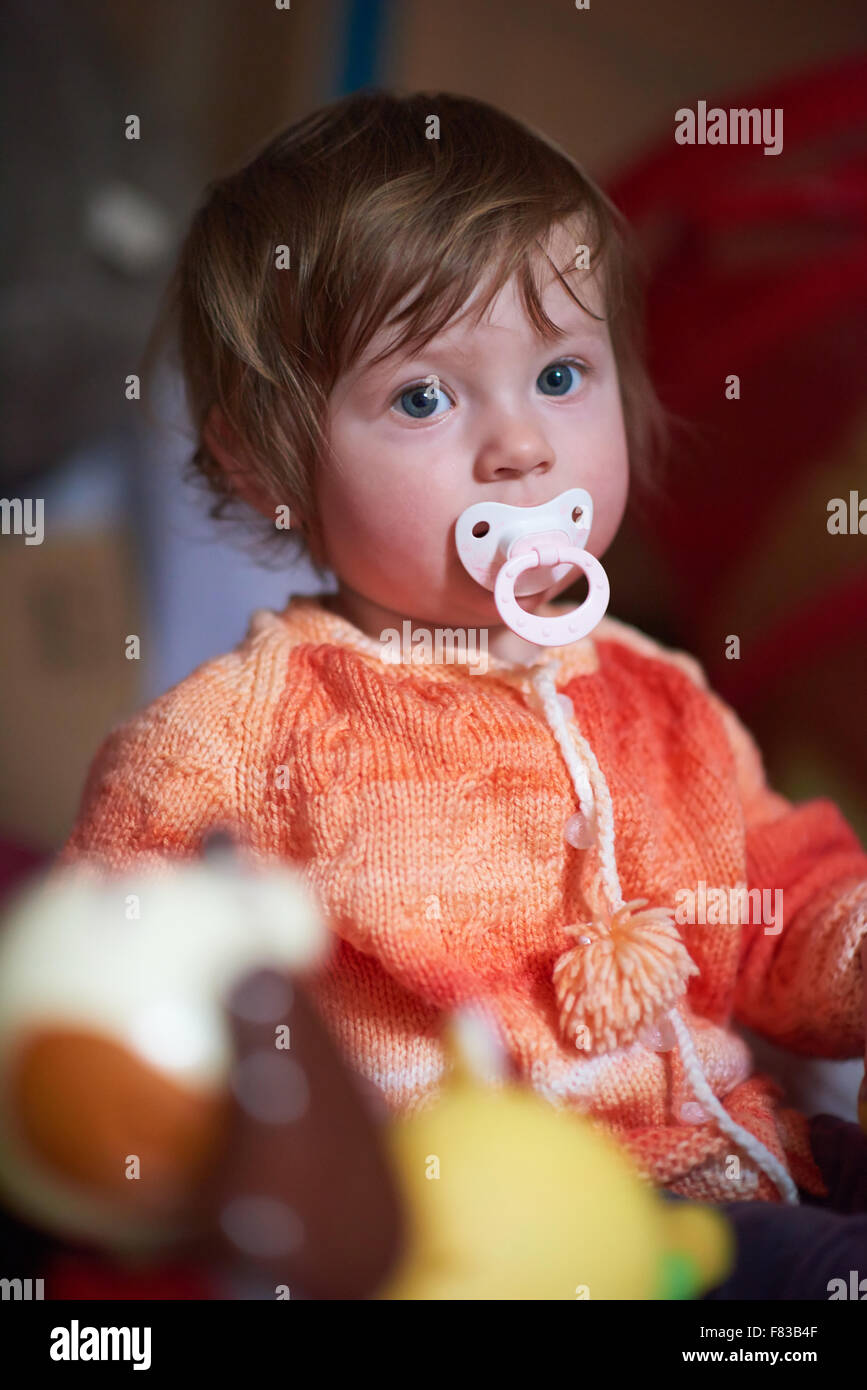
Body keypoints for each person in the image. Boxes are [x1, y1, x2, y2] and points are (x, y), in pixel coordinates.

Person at [56, 90, 867, 1298]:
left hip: (728, 1171)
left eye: (559, 373)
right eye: (426, 397)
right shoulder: (236, 736)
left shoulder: (662, 697)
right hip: (470, 1225)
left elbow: (773, 897)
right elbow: (116, 985)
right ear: (262, 465)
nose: (522, 447)